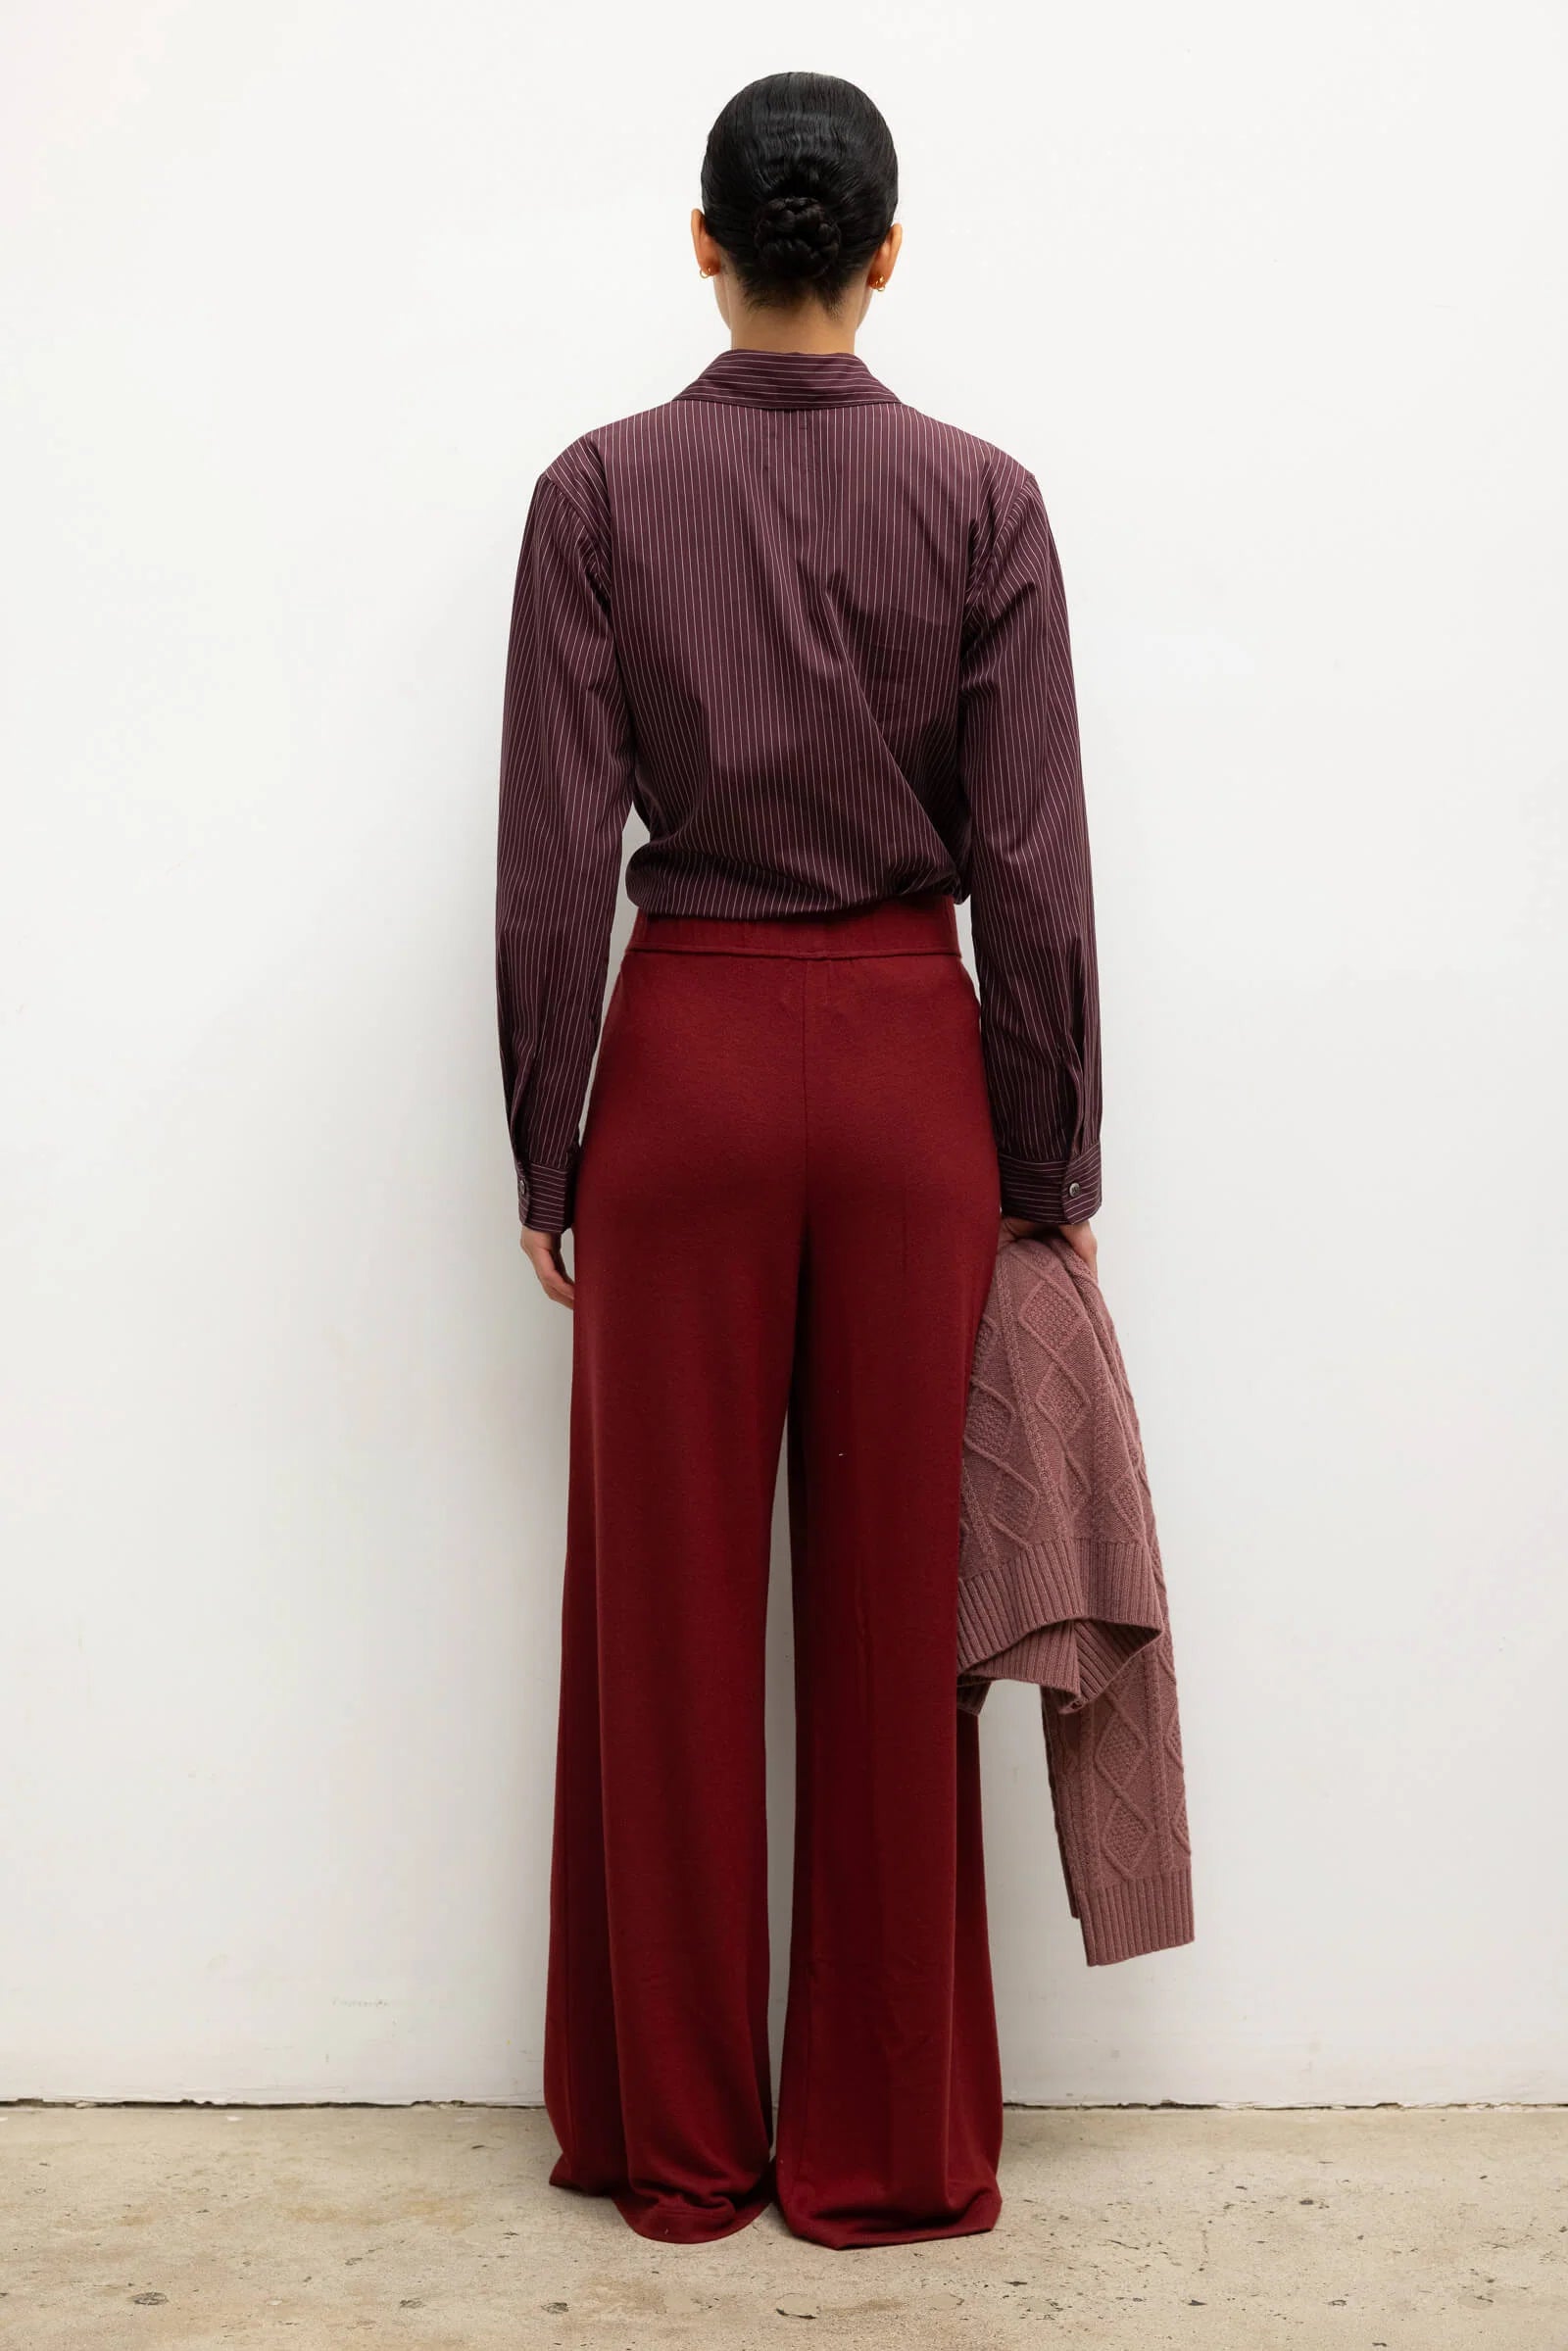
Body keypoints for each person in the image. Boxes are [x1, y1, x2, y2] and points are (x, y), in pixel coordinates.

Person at [494, 70, 1102, 2250]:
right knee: (895, 1631)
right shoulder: (984, 503)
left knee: (661, 1628)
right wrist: (1048, 1157)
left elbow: (553, 862)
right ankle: (886, 2147)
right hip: (916, 1077)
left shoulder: (596, 494)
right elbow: (1032, 875)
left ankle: (676, 2144)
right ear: (887, 253)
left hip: (681, 1076)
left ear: (703, 242)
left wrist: (548, 1142)